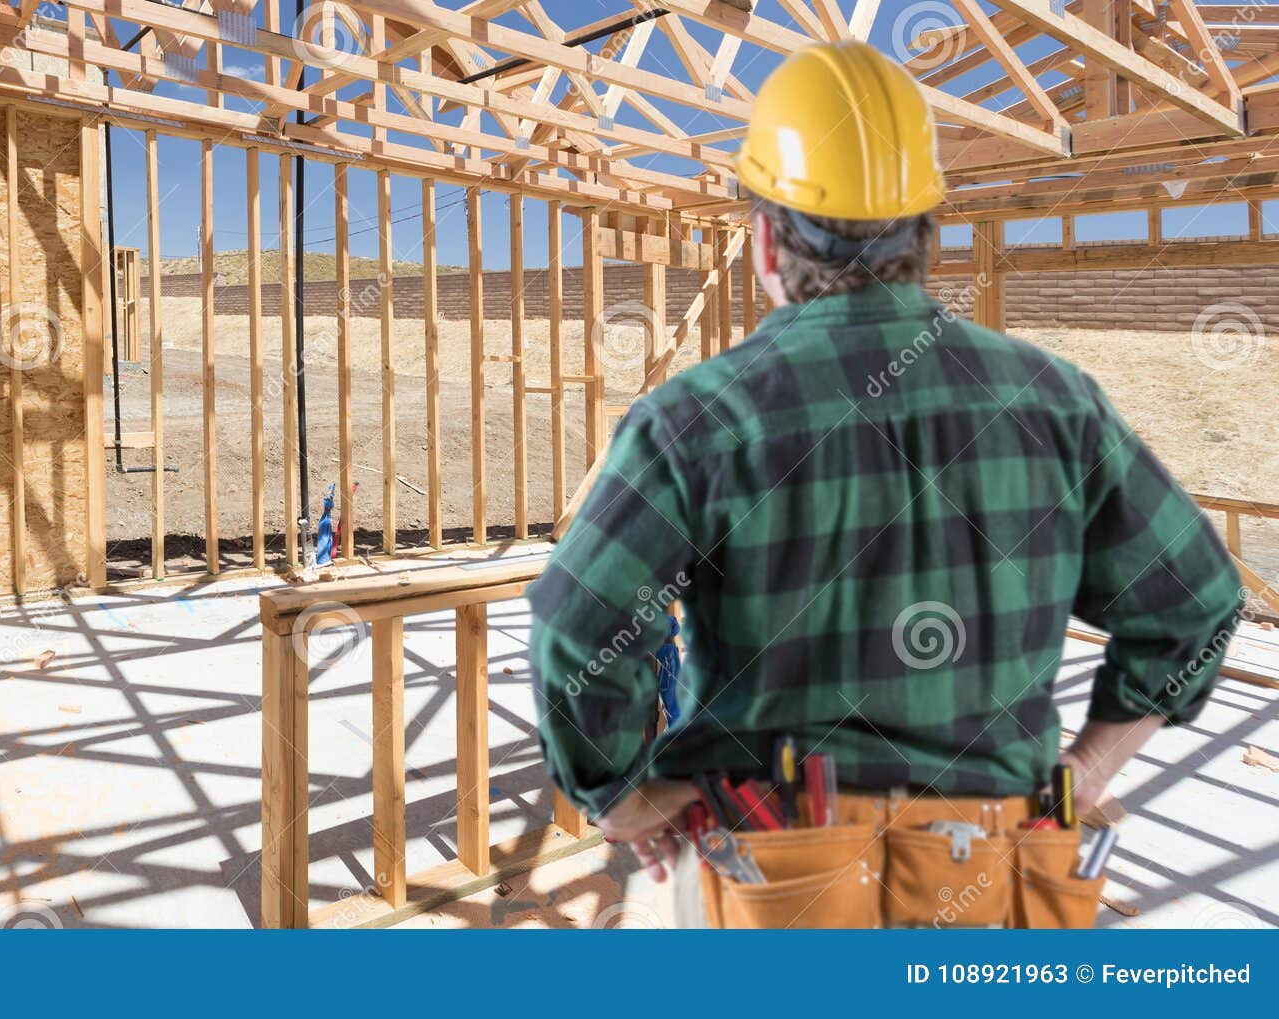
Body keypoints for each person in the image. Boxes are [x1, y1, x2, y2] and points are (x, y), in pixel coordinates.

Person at [528, 40, 1244, 928]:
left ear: (764, 239)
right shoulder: (1056, 403)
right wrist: (1087, 771)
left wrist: (621, 797)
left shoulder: (697, 418)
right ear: (926, 235)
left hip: (765, 872)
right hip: (992, 879)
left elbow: (577, 626)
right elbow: (1198, 607)